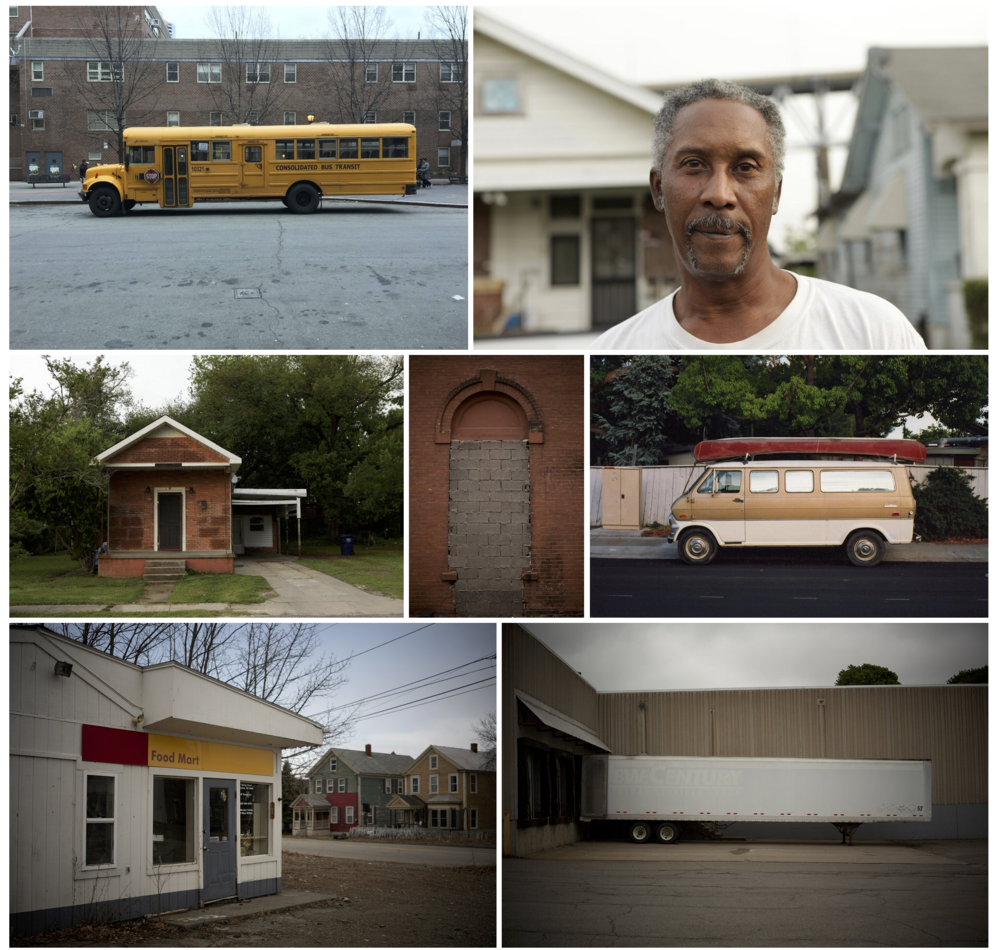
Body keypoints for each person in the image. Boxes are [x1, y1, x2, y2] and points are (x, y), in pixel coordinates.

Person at [593, 79, 927, 351]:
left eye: (745, 168)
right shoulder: (611, 349)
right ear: (659, 189)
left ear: (776, 194)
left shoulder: (874, 330)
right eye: (694, 164)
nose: (719, 195)